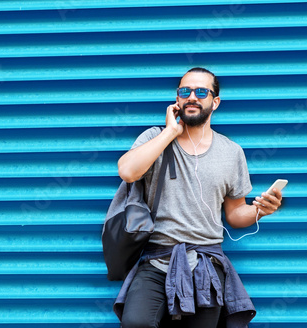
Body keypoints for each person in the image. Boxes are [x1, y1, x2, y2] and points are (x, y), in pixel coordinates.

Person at [114, 67, 283, 328]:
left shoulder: (232, 152)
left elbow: (235, 215)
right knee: (135, 323)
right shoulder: (154, 138)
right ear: (177, 99)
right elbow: (127, 171)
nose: (192, 96)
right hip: (156, 260)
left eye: (201, 91)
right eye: (185, 91)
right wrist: (170, 132)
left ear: (215, 102)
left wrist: (261, 210)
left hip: (207, 265)